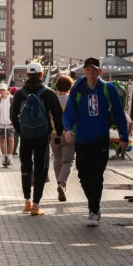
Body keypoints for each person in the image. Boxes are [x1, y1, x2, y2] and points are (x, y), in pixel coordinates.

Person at [63, 57, 130, 227]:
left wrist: (123, 137)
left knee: (97, 175)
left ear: (100, 72)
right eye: (88, 70)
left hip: (100, 140)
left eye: (94, 70)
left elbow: (118, 114)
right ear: (84, 71)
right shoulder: (78, 89)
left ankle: (93, 210)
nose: (91, 73)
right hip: (83, 139)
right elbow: (70, 112)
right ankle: (93, 204)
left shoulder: (108, 90)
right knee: (82, 174)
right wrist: (68, 129)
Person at [10, 62, 64, 217]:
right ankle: (36, 205)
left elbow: (13, 115)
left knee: (25, 167)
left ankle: (27, 201)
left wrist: (20, 130)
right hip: (42, 136)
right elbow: (57, 115)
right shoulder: (48, 93)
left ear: (27, 75)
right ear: (41, 75)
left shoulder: (20, 93)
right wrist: (58, 132)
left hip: (26, 136)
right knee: (41, 168)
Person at [51, 74, 76, 202]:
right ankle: (62, 183)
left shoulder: (53, 99)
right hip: (69, 133)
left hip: (54, 134)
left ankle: (59, 184)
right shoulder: (72, 100)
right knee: (68, 161)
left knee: (57, 160)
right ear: (70, 86)